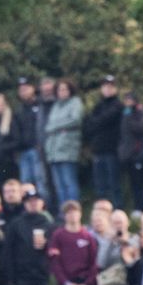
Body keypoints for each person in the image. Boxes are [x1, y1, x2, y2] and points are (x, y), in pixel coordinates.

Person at [83, 76, 125, 209]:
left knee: (114, 184)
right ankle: (102, 211)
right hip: (98, 150)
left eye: (110, 86)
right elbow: (89, 124)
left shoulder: (118, 105)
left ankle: (118, 210)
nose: (107, 89)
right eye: (105, 86)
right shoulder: (99, 106)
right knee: (100, 186)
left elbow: (104, 119)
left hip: (112, 150)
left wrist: (97, 122)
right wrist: (97, 122)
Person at [42, 79, 84, 208]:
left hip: (67, 149)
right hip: (53, 151)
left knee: (69, 182)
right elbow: (47, 126)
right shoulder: (56, 106)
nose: (62, 92)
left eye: (65, 89)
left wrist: (55, 127)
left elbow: (75, 120)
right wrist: (58, 128)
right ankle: (63, 212)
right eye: (60, 89)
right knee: (59, 185)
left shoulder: (75, 102)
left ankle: (74, 209)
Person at [12, 77, 47, 194]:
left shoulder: (41, 105)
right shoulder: (19, 110)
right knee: (25, 182)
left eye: (26, 88)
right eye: (21, 89)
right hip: (23, 151)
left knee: (40, 180)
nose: (23, 92)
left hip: (38, 149)